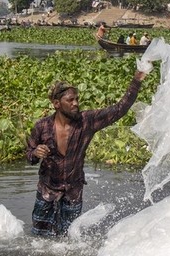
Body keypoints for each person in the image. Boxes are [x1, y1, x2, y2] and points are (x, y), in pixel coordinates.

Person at [26, 71, 147, 237]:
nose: (75, 103)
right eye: (70, 100)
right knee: (38, 237)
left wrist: (137, 80)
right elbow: (29, 156)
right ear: (56, 103)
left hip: (72, 192)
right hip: (47, 191)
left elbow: (120, 109)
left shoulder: (86, 121)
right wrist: (36, 152)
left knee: (67, 239)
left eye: (77, 99)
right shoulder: (42, 126)